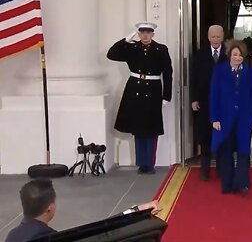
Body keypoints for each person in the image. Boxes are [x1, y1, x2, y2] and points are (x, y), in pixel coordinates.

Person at [107, 22, 173, 174]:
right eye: (142, 32)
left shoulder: (161, 49)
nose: (145, 35)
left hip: (153, 89)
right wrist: (127, 39)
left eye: (148, 32)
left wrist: (166, 96)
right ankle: (141, 163)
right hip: (135, 88)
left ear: (153, 34)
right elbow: (111, 54)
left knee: (151, 128)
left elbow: (168, 74)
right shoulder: (132, 48)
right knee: (138, 127)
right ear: (138, 34)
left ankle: (149, 164)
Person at [5, 178, 161, 242]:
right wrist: (138, 214)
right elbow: (102, 234)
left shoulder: (12, 236)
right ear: (50, 208)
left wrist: (135, 211)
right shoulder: (49, 237)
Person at [210, 40, 252, 196]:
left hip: (244, 119)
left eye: (240, 55)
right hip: (224, 119)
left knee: (243, 152)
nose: (237, 57)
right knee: (226, 152)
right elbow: (214, 95)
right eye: (235, 54)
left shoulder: (249, 72)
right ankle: (227, 184)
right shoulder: (220, 71)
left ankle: (242, 183)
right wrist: (214, 118)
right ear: (229, 55)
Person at [191, 25, 227, 181]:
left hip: (224, 104)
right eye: (213, 37)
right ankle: (205, 169)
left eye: (218, 37)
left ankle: (221, 169)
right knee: (205, 137)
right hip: (204, 102)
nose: (215, 40)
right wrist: (194, 99)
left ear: (222, 37)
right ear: (208, 37)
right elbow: (193, 78)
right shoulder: (200, 54)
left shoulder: (230, 53)